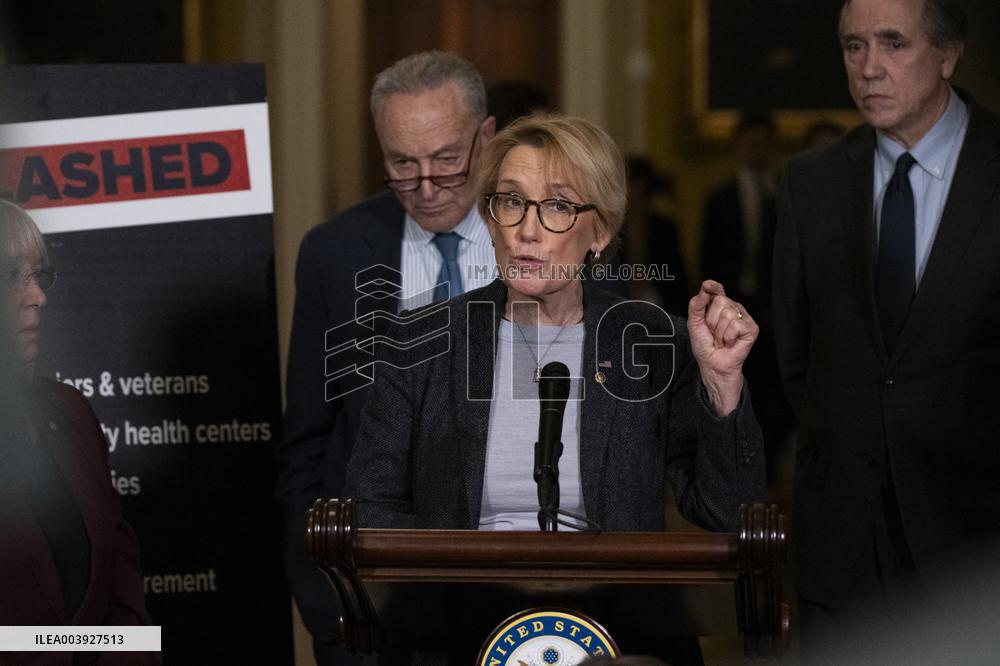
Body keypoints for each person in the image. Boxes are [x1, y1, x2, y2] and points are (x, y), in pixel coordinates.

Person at [343, 114, 766, 661]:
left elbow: (728, 513)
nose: (528, 229)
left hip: (618, 635)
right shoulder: (420, 345)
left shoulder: (652, 344)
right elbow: (369, 509)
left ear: (601, 232)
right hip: (459, 633)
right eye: (511, 202)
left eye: (560, 207)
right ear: (490, 220)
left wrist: (722, 383)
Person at [772, 0, 1000, 660]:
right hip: (840, 545)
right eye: (853, 46)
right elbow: (795, 357)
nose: (869, 68)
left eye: (893, 44)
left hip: (974, 548)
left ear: (948, 54)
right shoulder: (810, 183)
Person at [272, 51, 497, 664]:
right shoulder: (333, 253)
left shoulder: (549, 236)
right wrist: (325, 606)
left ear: (487, 137)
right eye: (403, 164)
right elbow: (308, 444)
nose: (426, 187)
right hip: (372, 613)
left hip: (520, 601)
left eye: (448, 160)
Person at [0, 201, 156, 664]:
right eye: (11, 276)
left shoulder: (69, 412)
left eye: (40, 275)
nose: (39, 297)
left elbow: (122, 589)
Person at [702, 113, 793, 483]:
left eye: (763, 142)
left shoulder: (788, 193)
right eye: (749, 141)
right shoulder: (719, 199)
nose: (756, 150)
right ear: (737, 146)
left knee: (776, 398)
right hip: (734, 309)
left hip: (777, 313)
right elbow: (708, 260)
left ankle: (769, 475)